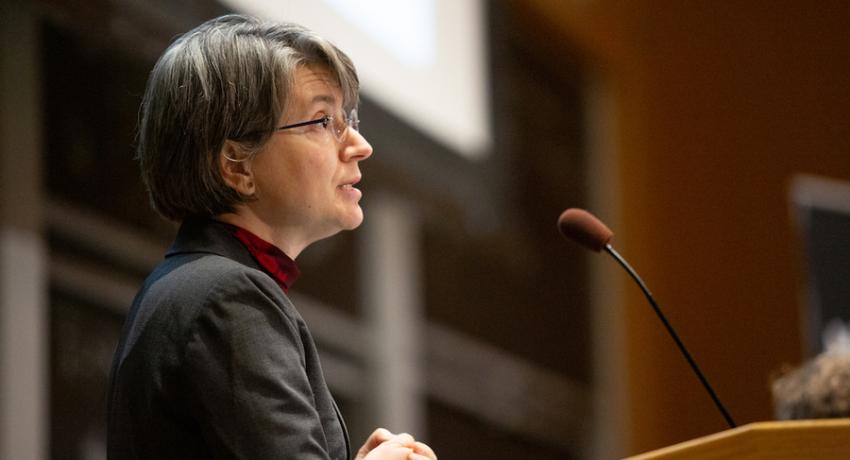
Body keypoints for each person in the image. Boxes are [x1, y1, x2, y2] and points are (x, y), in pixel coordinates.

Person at [107, 14, 437, 460]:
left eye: (348, 118)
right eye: (322, 121)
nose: (359, 144)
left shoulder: (199, 285)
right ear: (237, 166)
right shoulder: (228, 297)